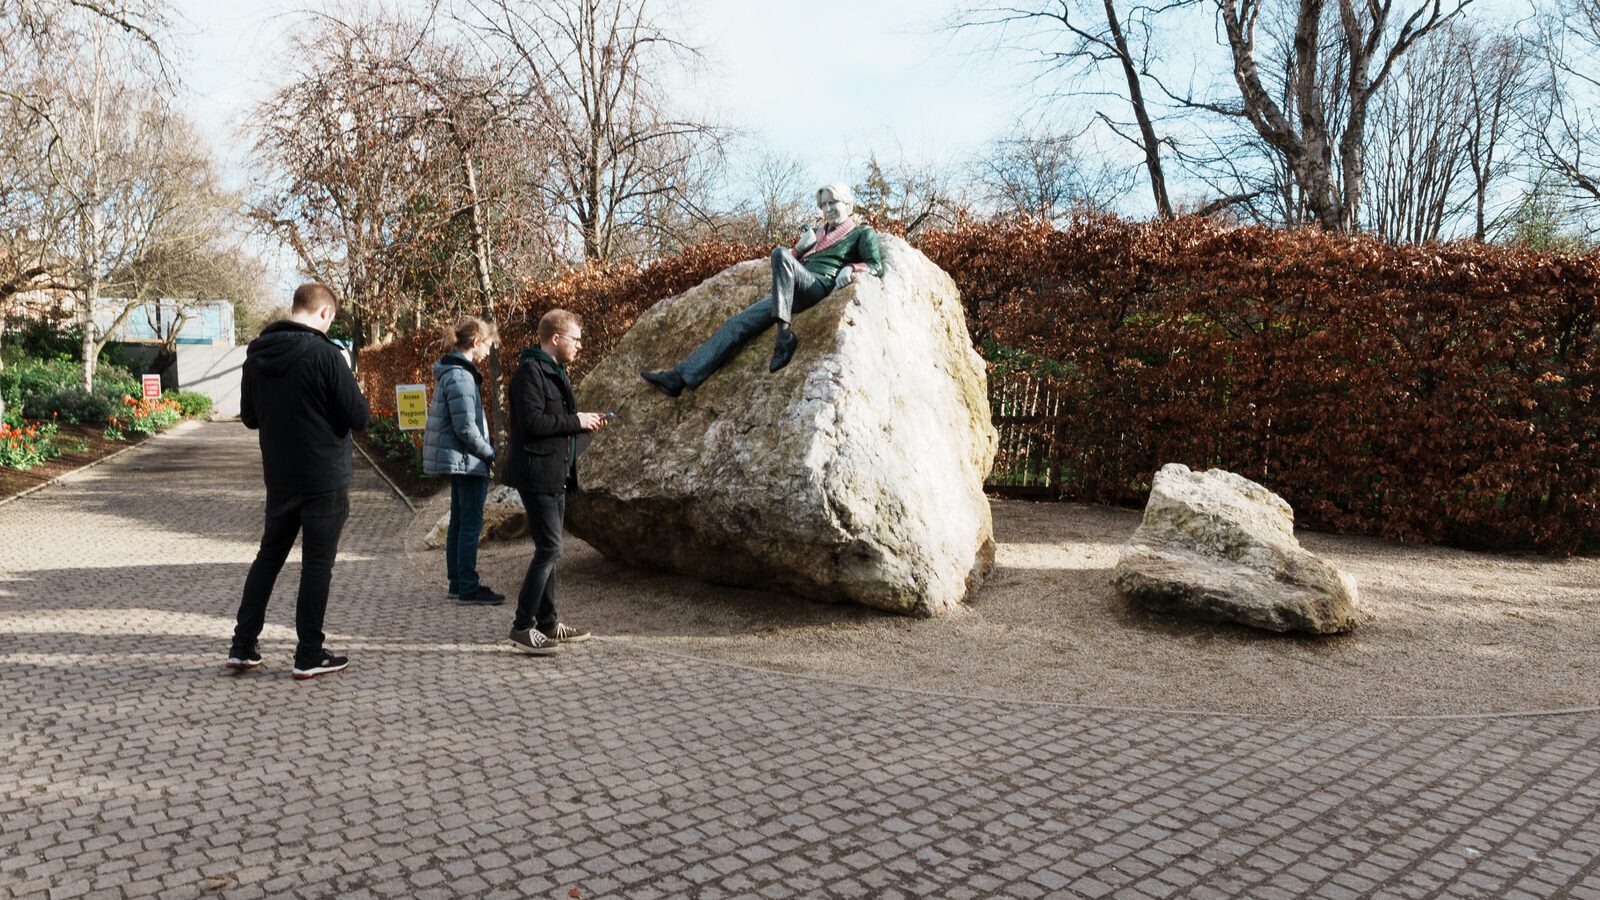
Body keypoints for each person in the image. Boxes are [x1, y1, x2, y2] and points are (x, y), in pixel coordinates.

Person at [226, 283, 370, 680]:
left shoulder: (256, 355)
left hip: (280, 477)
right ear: (324, 314)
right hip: (324, 477)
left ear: (295, 308)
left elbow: (250, 417)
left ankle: (242, 645)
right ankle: (308, 652)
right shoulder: (327, 355)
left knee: (268, 558)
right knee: (316, 565)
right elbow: (359, 416)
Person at [641, 182, 884, 396]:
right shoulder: (817, 234)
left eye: (834, 203)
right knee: (737, 324)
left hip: (818, 286)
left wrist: (851, 268)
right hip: (790, 291)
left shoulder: (861, 232)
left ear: (849, 205)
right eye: (824, 205)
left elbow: (876, 266)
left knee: (779, 252)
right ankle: (679, 378)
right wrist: (800, 248)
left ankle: (784, 336)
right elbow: (787, 265)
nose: (828, 209)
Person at [502, 309, 609, 655]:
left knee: (549, 548)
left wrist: (582, 423)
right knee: (550, 548)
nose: (579, 345)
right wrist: (575, 420)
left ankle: (548, 623)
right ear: (556, 338)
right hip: (536, 474)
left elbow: (557, 421)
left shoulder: (554, 371)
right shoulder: (529, 373)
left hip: (556, 473)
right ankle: (522, 626)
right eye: (576, 339)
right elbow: (533, 422)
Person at [423, 316, 503, 606]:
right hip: (467, 460)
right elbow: (466, 427)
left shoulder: (454, 371)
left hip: (460, 459)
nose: (486, 354)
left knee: (459, 519)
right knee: (469, 522)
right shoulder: (461, 375)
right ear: (476, 342)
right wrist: (489, 453)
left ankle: (458, 582)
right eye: (487, 347)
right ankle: (468, 585)